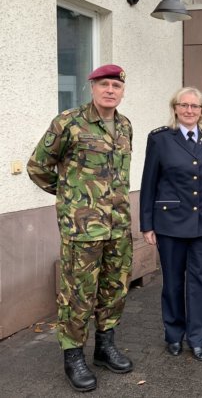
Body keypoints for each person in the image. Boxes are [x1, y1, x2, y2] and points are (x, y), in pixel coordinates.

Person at [27, 64, 133, 392]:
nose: (110, 90)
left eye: (116, 85)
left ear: (122, 90)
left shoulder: (125, 125)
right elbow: (37, 167)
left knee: (114, 289)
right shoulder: (69, 122)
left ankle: (104, 346)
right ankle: (73, 356)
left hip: (118, 226)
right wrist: (70, 196)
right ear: (92, 87)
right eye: (104, 84)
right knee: (77, 294)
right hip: (82, 228)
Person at [139, 87, 202, 362]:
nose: (189, 110)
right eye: (184, 105)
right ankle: (174, 334)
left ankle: (198, 338)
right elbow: (149, 183)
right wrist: (147, 224)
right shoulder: (160, 139)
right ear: (175, 108)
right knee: (173, 282)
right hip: (170, 223)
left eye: (195, 106)